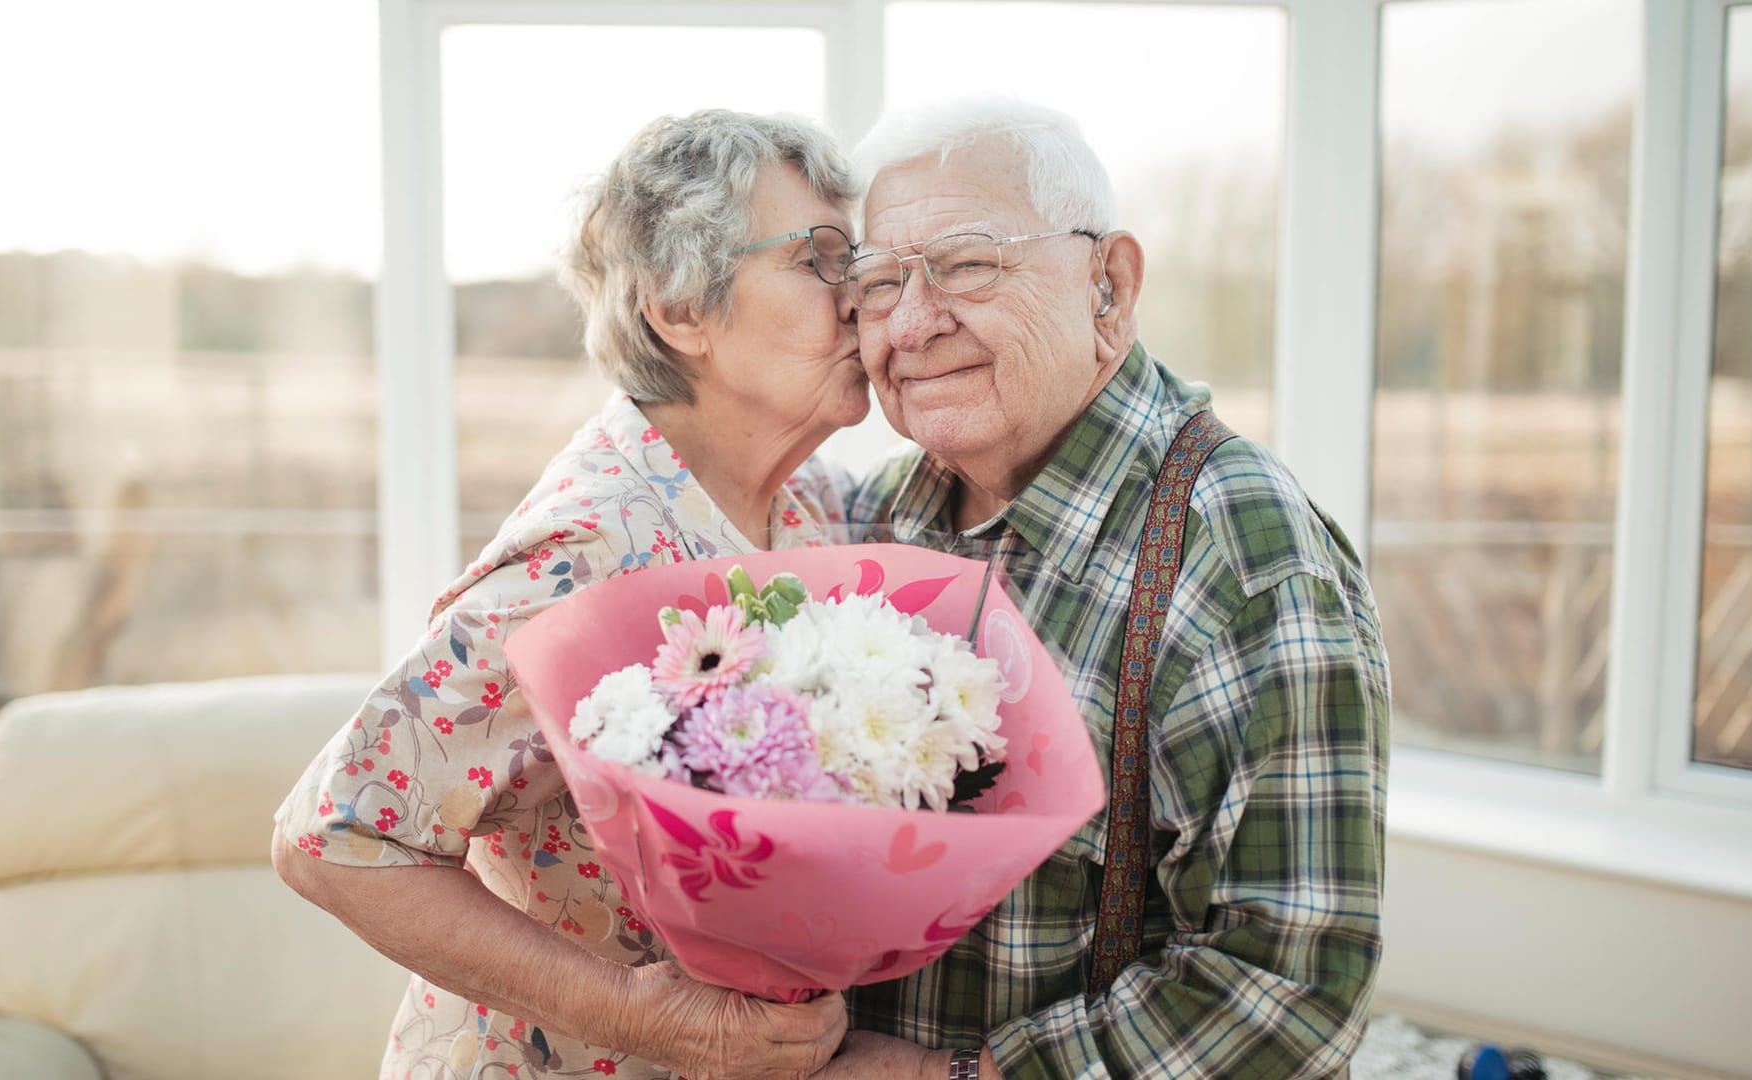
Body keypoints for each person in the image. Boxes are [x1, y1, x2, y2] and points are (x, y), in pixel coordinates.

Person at [272, 109, 868, 1080]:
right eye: (822, 259)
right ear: (681, 308)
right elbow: (329, 836)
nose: (865, 296)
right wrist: (644, 1015)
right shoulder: (589, 551)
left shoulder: (808, 510)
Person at [823, 99, 1391, 1079]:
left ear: (1109, 285)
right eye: (878, 284)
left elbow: (1289, 991)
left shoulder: (1244, 558)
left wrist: (948, 1079)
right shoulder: (868, 521)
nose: (914, 324)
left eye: (967, 263)